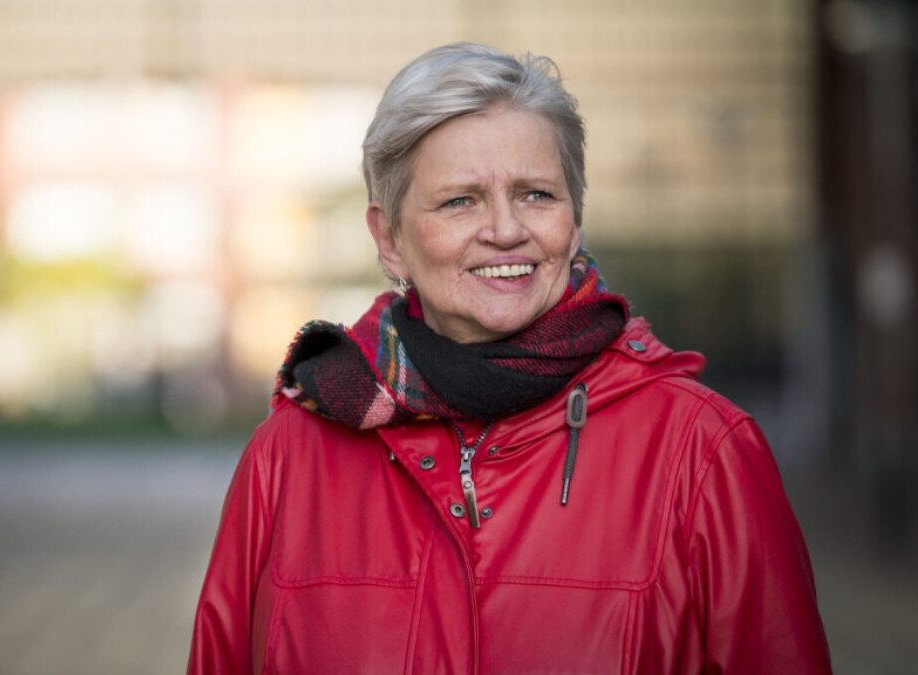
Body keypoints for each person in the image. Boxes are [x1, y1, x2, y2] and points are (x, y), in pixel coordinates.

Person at [188, 42, 831, 673]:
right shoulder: (290, 456)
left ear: (574, 220)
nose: (504, 229)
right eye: (459, 200)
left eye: (536, 194)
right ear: (389, 238)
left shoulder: (702, 450)